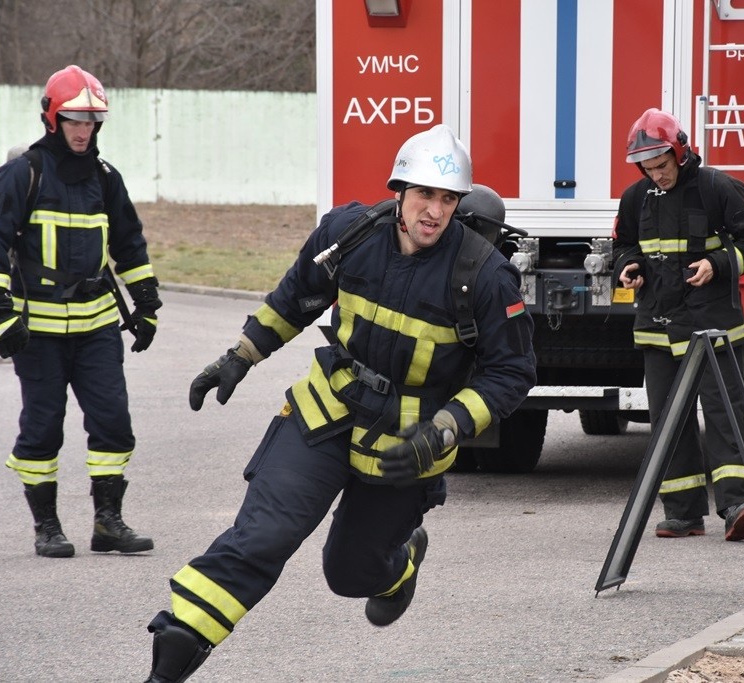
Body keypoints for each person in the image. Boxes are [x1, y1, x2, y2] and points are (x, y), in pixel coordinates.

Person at [142, 123, 536, 682]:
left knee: (348, 574)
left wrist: (446, 428)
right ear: (400, 189)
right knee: (262, 537)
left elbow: (511, 372)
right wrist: (239, 356)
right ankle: (171, 656)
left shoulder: (485, 276)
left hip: (407, 447)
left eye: (448, 199)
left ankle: (400, 566)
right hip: (324, 414)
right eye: (425, 194)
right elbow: (295, 296)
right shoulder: (349, 233)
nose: (434, 212)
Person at [0, 65, 160, 559]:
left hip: (98, 325)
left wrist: (146, 305)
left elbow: (130, 245)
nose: (83, 130)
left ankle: (108, 524)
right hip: (35, 330)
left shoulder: (106, 179)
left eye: (91, 121)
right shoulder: (23, 175)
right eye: (74, 120)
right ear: (53, 119)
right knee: (42, 426)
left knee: (113, 424)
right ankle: (47, 526)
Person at [612, 108, 744, 542]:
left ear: (680, 153)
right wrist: (629, 268)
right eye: (648, 169)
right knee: (668, 420)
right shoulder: (635, 198)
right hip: (657, 330)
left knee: (725, 416)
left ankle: (738, 505)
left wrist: (718, 264)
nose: (657, 176)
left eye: (662, 167)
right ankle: (683, 513)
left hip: (712, 328)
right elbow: (624, 245)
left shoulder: (718, 188)